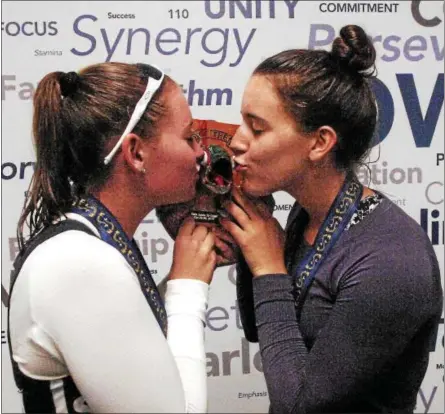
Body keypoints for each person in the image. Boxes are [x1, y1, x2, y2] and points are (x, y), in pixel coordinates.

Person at [218, 25, 443, 413]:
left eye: (257, 128)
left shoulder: (391, 261)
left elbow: (297, 406)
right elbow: (262, 328)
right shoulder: (310, 215)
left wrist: (270, 268)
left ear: (320, 143)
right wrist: (250, 238)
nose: (237, 141)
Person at [8, 62, 217, 413]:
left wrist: (184, 273)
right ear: (135, 153)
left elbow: (129, 348)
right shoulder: (78, 262)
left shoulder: (89, 243)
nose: (201, 152)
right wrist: (187, 287)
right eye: (188, 136)